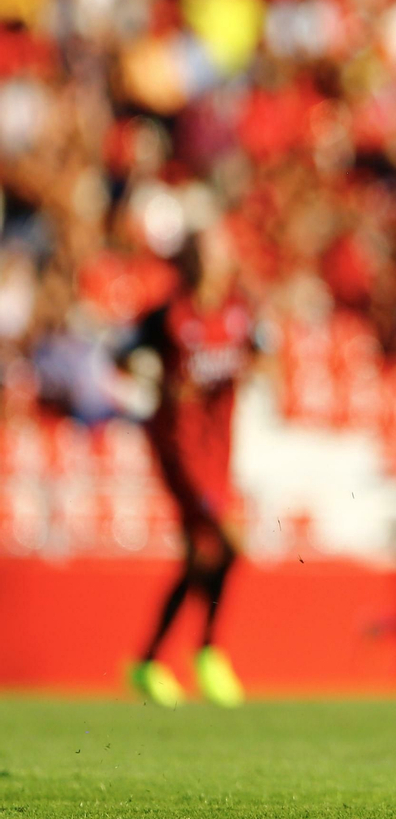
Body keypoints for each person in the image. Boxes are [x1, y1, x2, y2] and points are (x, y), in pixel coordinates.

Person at [126, 223, 254, 708]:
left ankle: (153, 660)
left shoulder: (239, 315)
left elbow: (261, 356)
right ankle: (207, 651)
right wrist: (149, 382)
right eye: (203, 253)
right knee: (228, 543)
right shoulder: (167, 317)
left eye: (218, 252)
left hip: (218, 451)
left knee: (204, 554)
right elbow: (123, 356)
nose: (211, 262)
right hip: (180, 451)